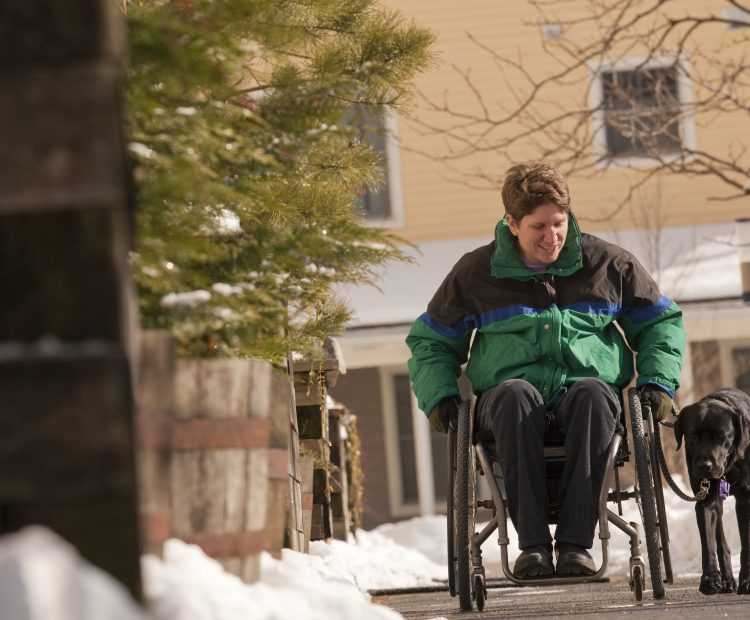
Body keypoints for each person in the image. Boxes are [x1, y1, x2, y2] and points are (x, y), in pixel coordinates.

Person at [405, 162, 686, 578]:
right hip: (507, 404)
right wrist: (441, 397)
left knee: (593, 394)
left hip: (588, 400)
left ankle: (575, 546)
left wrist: (657, 381)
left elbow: (661, 324)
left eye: (559, 223)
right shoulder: (476, 274)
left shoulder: (607, 265)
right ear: (512, 223)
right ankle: (532, 546)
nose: (552, 236)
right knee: (515, 395)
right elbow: (430, 342)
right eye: (538, 226)